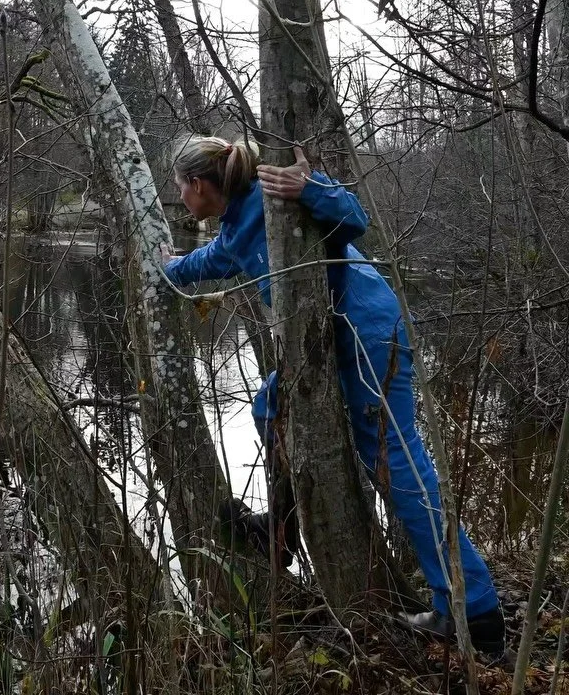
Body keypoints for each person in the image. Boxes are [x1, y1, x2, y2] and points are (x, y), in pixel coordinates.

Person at [162, 135, 505, 655]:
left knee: (400, 470)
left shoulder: (276, 194)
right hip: (322, 347)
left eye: (180, 189)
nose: (181, 200)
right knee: (268, 406)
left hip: (367, 338)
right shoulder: (238, 222)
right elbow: (211, 259)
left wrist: (312, 187)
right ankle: (280, 525)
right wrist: (168, 269)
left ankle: (477, 611)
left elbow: (353, 219)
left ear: (199, 185)